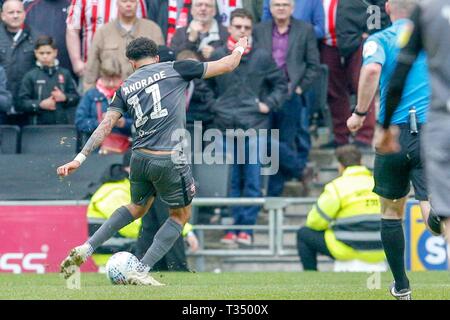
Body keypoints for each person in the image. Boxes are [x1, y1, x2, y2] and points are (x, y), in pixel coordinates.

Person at [57, 35, 249, 285]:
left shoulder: (125, 88)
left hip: (139, 158)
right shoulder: (176, 67)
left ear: (132, 62)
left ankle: (86, 248)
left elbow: (105, 126)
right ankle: (141, 268)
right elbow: (227, 65)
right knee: (180, 216)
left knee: (136, 207)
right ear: (156, 57)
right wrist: (240, 47)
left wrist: (79, 159)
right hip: (169, 157)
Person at [346, 0, 441, 300]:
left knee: (390, 211)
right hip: (428, 131)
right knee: (431, 209)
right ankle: (436, 216)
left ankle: (401, 287)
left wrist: (360, 113)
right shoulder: (434, 37)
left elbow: (372, 70)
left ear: (387, 8)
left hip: (392, 134)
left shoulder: (379, 40)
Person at [377, 0, 450, 268]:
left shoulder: (426, 14)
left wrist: (384, 126)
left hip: (438, 123)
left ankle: (440, 216)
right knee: (435, 209)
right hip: (432, 124)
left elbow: (398, 73)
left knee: (444, 220)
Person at [207, 9, 287, 246]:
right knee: (229, 180)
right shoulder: (219, 54)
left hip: (255, 126)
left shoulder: (262, 56)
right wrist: (215, 105)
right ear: (229, 28)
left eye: (246, 27)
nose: (242, 30)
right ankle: (231, 229)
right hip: (223, 127)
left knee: (253, 179)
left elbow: (281, 85)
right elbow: (202, 86)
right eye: (238, 26)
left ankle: (247, 230)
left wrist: (268, 104)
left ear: (251, 31)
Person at [87, 150, 198, 270]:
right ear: (129, 168)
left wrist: (184, 231)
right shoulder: (114, 192)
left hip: (123, 254)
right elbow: (129, 226)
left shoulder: (128, 188)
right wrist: (168, 233)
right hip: (114, 257)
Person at [253, 0, 320, 196]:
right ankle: (301, 169)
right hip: (265, 94)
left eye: (285, 4)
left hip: (291, 95)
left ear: (292, 7)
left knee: (284, 142)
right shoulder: (259, 30)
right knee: (266, 142)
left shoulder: (305, 29)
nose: (281, 8)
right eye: (276, 4)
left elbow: (314, 65)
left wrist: (299, 88)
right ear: (270, 8)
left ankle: (274, 194)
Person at [297, 145, 385, 271]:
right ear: (361, 162)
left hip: (347, 249)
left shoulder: (336, 187)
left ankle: (311, 277)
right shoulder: (378, 183)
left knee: (304, 234)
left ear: (340, 166)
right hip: (379, 249)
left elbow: (314, 222)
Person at [320, 0, 390, 149]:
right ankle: (341, 136)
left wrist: (373, 32)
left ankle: (364, 136)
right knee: (333, 91)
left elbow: (379, 6)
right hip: (327, 42)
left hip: (358, 40)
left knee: (362, 84)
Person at [82, 0, 164, 91]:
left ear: (137, 3)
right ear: (117, 3)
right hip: (111, 97)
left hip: (145, 95)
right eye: (124, 1)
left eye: (132, 1)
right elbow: (90, 74)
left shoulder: (153, 30)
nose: (128, 5)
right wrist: (89, 98)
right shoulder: (103, 32)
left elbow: (163, 68)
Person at [66, 0, 147, 78]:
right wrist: (76, 62)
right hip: (91, 68)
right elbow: (72, 28)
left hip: (126, 70)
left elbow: (142, 28)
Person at [18, 36, 79, 125]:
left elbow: (76, 98)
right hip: (37, 127)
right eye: (41, 53)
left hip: (62, 126)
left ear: (55, 52)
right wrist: (40, 104)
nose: (45, 56)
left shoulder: (65, 74)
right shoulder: (30, 76)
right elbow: (21, 103)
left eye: (48, 53)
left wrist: (64, 97)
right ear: (35, 53)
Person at [0, 0, 38, 125]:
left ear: (24, 14)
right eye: (11, 12)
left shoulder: (36, 37)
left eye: (19, 12)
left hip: (27, 105)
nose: (15, 15)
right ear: (2, 15)